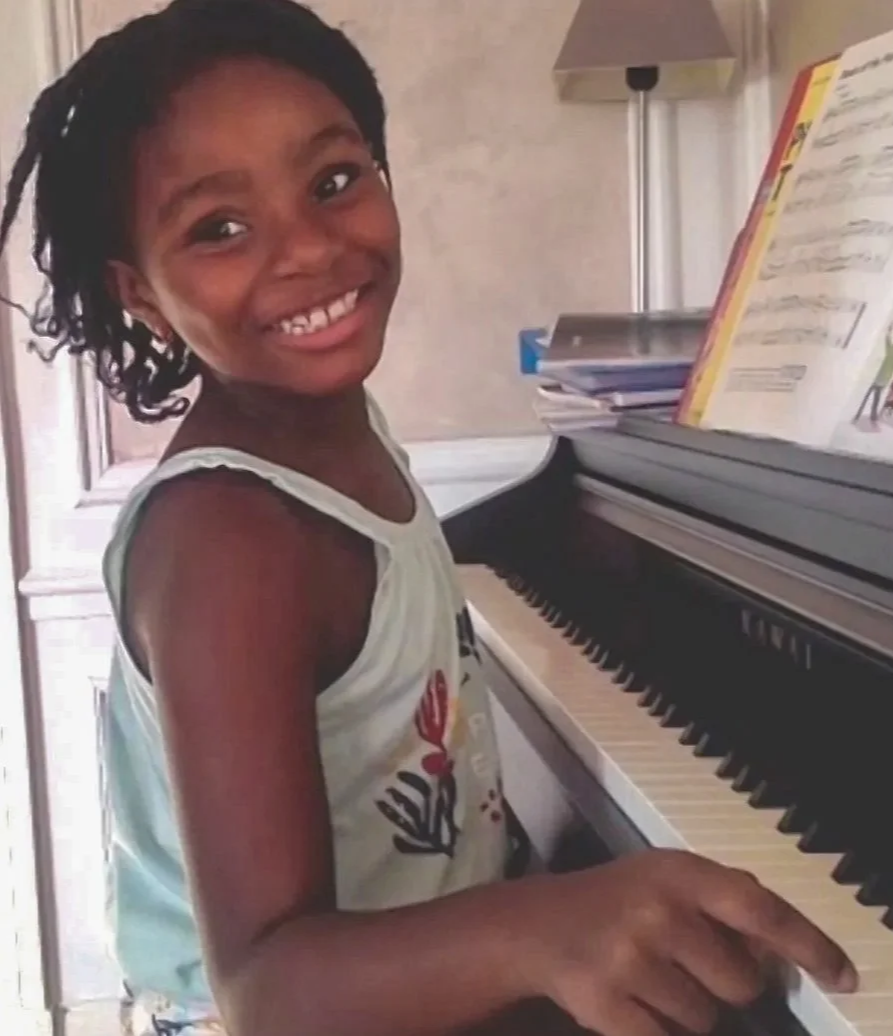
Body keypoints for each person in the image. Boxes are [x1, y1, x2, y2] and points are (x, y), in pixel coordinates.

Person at [0, 1, 858, 1034]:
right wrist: (538, 924)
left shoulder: (329, 428)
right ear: (139, 293)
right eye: (218, 228)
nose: (310, 248)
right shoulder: (227, 538)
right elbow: (267, 988)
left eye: (333, 181)